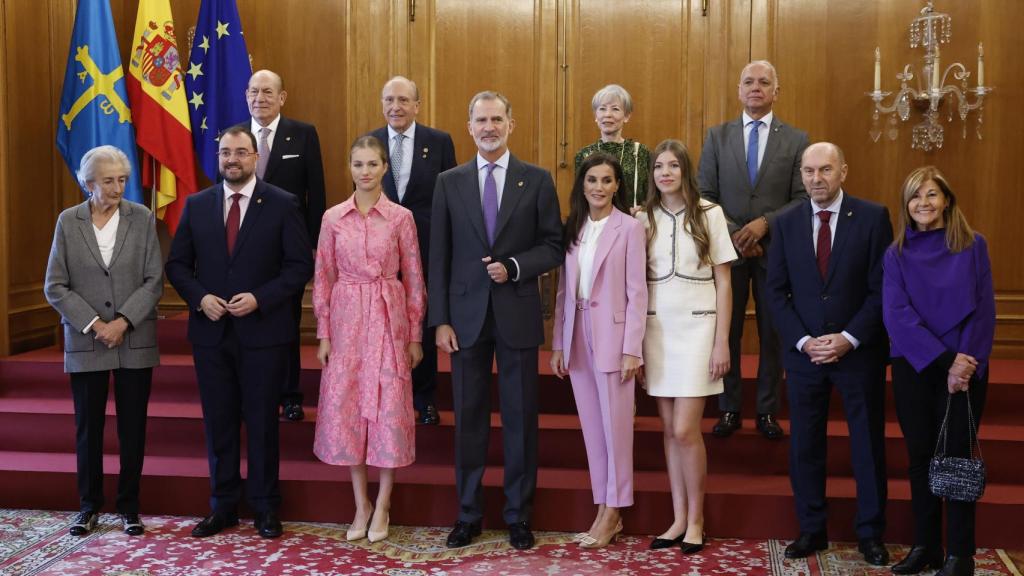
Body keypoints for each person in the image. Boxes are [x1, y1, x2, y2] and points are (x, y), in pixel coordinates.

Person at [166, 126, 314, 539]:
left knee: (263, 423)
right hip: (211, 334)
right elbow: (177, 265)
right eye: (225, 153)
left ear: (255, 158)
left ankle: (266, 507)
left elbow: (299, 266)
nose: (232, 159)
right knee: (220, 422)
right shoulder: (197, 205)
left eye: (241, 153)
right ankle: (223, 506)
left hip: (263, 334)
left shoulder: (282, 205)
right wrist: (200, 298)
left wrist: (260, 298)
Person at [430, 91, 563, 550]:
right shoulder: (449, 181)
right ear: (469, 126)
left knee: (521, 418)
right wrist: (440, 320)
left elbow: (553, 245)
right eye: (481, 120)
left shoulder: (538, 180)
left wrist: (514, 266)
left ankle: (518, 515)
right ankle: (468, 514)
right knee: (468, 418)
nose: (489, 127)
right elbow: (439, 256)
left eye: (497, 119)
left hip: (517, 313)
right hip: (463, 320)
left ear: (512, 124)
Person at [767, 142, 891, 566]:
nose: (816, 179)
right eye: (808, 171)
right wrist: (804, 342)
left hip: (858, 353)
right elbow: (775, 293)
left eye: (825, 170)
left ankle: (871, 533)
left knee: (867, 446)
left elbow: (882, 290)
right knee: (805, 445)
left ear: (843, 172)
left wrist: (849, 337)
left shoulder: (873, 218)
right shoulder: (784, 223)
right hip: (805, 357)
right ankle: (811, 529)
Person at [44, 145, 163, 537]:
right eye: (109, 181)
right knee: (88, 428)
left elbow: (153, 281)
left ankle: (130, 508)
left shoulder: (142, 217)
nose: (117, 188)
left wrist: (123, 321)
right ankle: (88, 507)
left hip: (134, 339)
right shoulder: (67, 221)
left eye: (122, 180)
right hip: (87, 340)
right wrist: (96, 324)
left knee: (133, 429)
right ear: (88, 183)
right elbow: (55, 286)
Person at [313, 136, 426, 544]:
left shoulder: (400, 218)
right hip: (345, 322)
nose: (365, 171)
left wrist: (414, 334)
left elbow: (414, 278)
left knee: (387, 410)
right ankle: (361, 502)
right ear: (350, 168)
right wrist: (324, 332)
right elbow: (323, 277)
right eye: (358, 164)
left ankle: (384, 502)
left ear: (384, 168)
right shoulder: (332, 218)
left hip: (388, 318)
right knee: (350, 411)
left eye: (373, 164)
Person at [883, 166, 994, 576]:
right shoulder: (895, 253)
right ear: (906, 205)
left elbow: (983, 311)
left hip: (966, 367)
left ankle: (960, 554)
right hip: (915, 365)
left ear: (946, 199)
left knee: (956, 459)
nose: (923, 204)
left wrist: (963, 363)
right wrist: (946, 361)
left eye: (931, 195)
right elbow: (896, 315)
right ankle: (926, 546)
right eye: (915, 196)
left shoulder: (973, 246)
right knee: (920, 458)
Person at [698, 60, 809, 440]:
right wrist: (734, 233)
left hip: (775, 251)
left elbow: (801, 197)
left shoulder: (796, 140)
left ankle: (766, 411)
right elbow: (705, 196)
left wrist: (764, 225)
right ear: (739, 90)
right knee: (725, 332)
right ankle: (728, 407)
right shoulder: (717, 137)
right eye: (748, 82)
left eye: (764, 82)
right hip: (727, 253)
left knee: (772, 333)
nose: (756, 88)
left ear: (776, 91)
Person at [639, 139, 736, 554]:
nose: (665, 173)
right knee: (667, 430)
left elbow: (725, 281)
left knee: (685, 429)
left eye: (673, 166)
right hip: (656, 328)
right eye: (659, 166)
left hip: (698, 329)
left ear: (685, 171)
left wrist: (722, 343)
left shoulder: (710, 213)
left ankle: (697, 519)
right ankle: (678, 518)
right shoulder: (642, 217)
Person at [550, 153, 647, 549]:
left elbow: (638, 291)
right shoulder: (574, 227)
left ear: (617, 186)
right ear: (582, 185)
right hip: (577, 334)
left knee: (617, 429)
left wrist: (632, 349)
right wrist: (558, 342)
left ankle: (614, 510)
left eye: (607, 180)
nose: (599, 187)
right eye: (592, 180)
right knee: (593, 429)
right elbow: (562, 290)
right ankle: (602, 506)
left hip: (613, 336)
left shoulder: (630, 228)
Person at [369, 75, 457, 426]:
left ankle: (425, 398)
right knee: (384, 322)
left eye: (404, 100)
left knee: (421, 321)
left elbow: (451, 197)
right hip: (381, 251)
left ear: (417, 105)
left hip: (426, 247)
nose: (396, 106)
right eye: (389, 99)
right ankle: (387, 395)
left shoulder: (438, 141)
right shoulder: (370, 142)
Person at [246, 69, 326, 422]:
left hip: (289, 249)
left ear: (282, 97)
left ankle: (290, 394)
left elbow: (316, 192)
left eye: (267, 92)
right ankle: (252, 391)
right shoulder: (233, 136)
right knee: (247, 322)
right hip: (243, 248)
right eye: (253, 91)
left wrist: (313, 245)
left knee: (287, 322)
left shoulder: (303, 134)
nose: (259, 98)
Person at [574, 84, 651, 210]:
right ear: (595, 116)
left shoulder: (641, 152)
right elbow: (579, 198)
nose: (608, 114)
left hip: (633, 223)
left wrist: (642, 210)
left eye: (615, 109)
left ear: (626, 116)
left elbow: (651, 195)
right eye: (602, 109)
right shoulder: (584, 155)